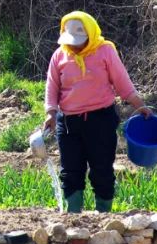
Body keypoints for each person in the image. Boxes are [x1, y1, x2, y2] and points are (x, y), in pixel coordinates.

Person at [42, 11, 150, 213]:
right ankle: (73, 215)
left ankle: (104, 215)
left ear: (90, 35)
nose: (74, 45)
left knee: (102, 170)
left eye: (79, 41)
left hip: (100, 120)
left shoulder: (105, 52)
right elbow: (52, 87)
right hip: (69, 123)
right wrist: (50, 113)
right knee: (70, 171)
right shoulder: (60, 55)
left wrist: (139, 104)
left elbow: (122, 82)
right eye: (71, 41)